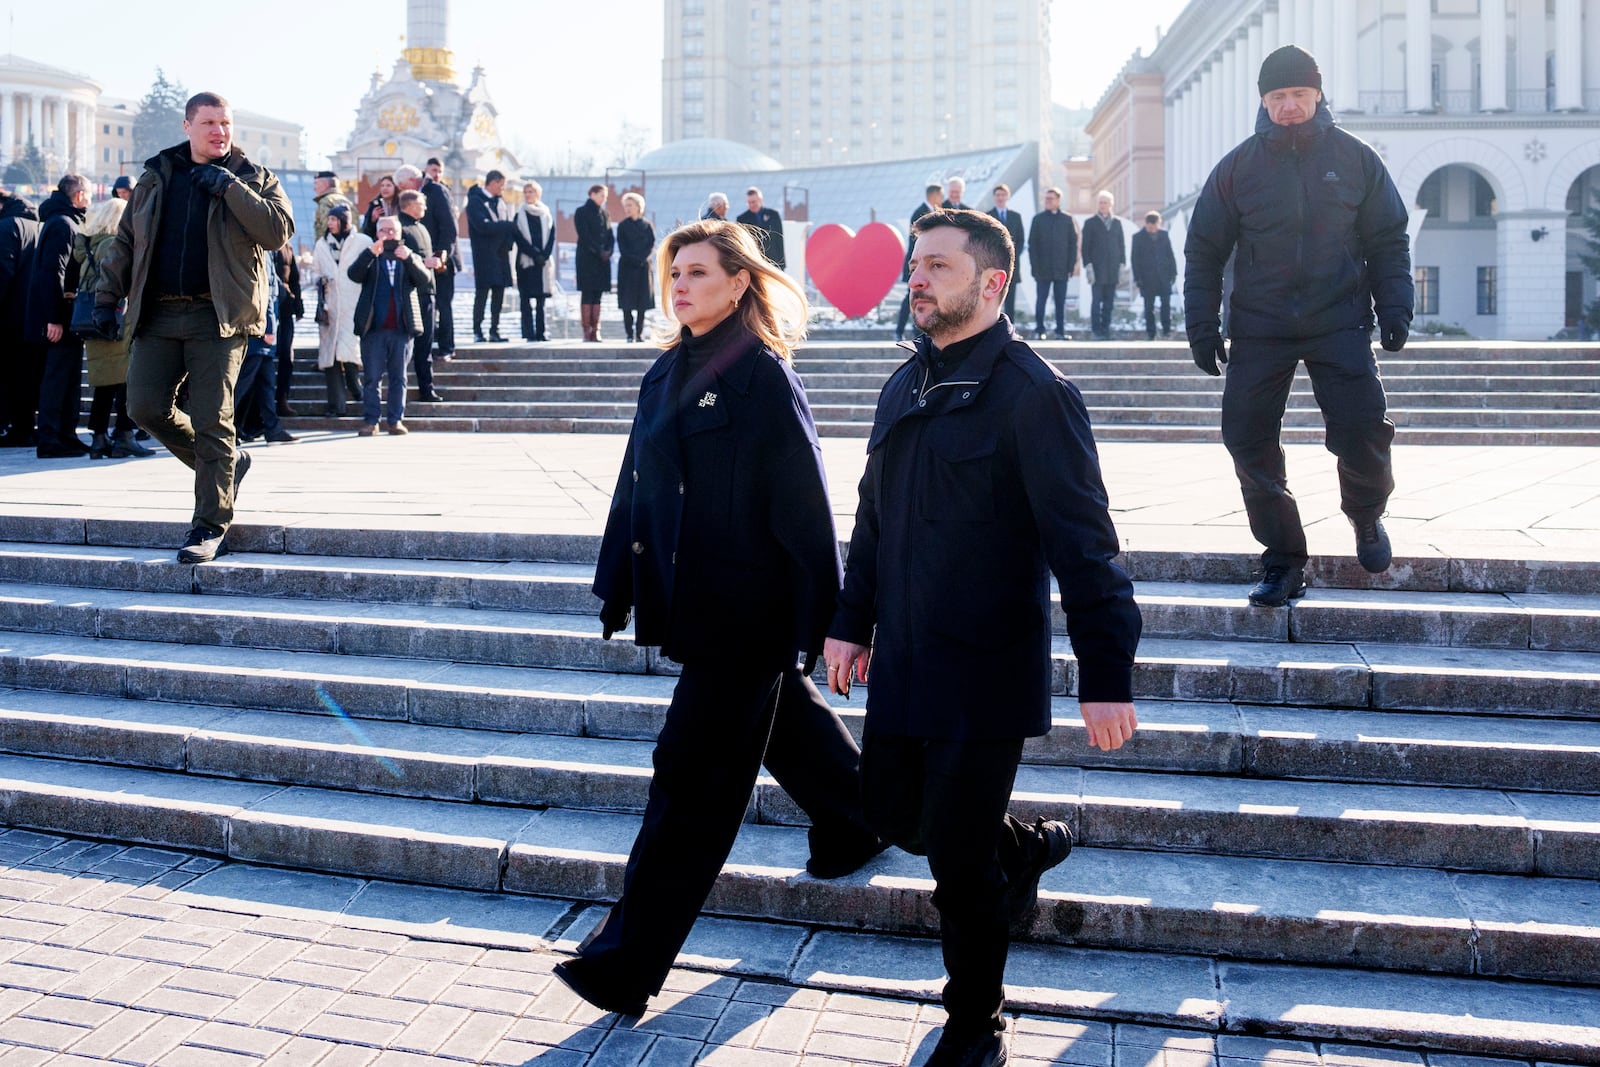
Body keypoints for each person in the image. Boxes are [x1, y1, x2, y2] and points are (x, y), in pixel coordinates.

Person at [823, 209, 1141, 1067]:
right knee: (892, 811)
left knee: (958, 865)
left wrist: (1106, 671)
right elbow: (873, 518)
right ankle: (1026, 846)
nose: (916, 280)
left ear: (992, 283)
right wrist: (852, 623)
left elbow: (1088, 542)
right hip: (907, 661)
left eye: (936, 266)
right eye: (914, 266)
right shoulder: (904, 384)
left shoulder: (1035, 394)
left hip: (985, 667)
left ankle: (976, 1025)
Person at [556, 218, 883, 1018]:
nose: (682, 285)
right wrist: (619, 581)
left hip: (747, 611)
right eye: (676, 272)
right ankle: (857, 822)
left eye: (700, 272)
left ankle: (625, 962)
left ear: (740, 283)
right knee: (785, 726)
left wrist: (839, 618)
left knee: (691, 777)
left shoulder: (761, 375)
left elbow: (805, 501)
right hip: (696, 602)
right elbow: (637, 486)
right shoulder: (667, 369)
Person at [1185, 44, 1412, 606]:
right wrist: (1201, 326)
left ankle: (1364, 514)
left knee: (1363, 432)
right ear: (1264, 100)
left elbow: (1388, 239)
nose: (1289, 106)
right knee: (1246, 438)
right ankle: (1284, 560)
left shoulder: (1356, 158)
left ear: (1317, 94)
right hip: (1259, 326)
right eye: (1278, 96)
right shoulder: (1237, 167)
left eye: (1298, 94)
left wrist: (1396, 306)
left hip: (1340, 321)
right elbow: (1204, 251)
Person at [97, 91, 293, 563]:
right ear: (188, 126)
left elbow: (277, 231)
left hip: (219, 318)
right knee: (144, 407)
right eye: (209, 123)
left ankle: (208, 526)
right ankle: (229, 464)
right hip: (158, 312)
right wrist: (107, 295)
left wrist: (229, 187)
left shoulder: (253, 177)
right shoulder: (156, 176)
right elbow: (126, 241)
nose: (219, 131)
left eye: (225, 123)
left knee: (212, 420)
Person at [72, 195, 152, 459]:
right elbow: (120, 281)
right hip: (117, 321)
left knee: (105, 385)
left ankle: (99, 440)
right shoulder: (111, 244)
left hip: (96, 322)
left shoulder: (88, 245)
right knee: (125, 382)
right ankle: (123, 436)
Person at [26, 174, 91, 458]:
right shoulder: (63, 225)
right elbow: (53, 272)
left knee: (70, 378)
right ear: (78, 196)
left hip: (65, 316)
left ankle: (66, 435)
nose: (89, 200)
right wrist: (53, 318)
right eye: (87, 194)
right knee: (57, 379)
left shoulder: (61, 221)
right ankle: (51, 439)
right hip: (59, 318)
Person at [347, 214, 430, 436]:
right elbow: (353, 275)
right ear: (377, 233)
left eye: (392, 231)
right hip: (373, 328)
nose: (388, 235)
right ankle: (371, 420)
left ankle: (395, 420)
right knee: (372, 377)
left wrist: (410, 259)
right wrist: (369, 254)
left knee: (399, 377)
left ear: (400, 233)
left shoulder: (408, 256)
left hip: (402, 328)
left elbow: (425, 281)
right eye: (384, 230)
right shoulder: (371, 256)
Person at [232, 249, 294, 445]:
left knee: (266, 383)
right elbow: (263, 292)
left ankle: (272, 428)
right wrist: (268, 326)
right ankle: (221, 428)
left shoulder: (265, 253)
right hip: (258, 331)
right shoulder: (257, 252)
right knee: (242, 383)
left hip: (262, 331)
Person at [312, 205, 363, 415]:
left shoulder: (362, 242)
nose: (330, 223)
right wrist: (321, 280)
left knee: (350, 355)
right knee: (330, 359)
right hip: (330, 308)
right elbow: (315, 270)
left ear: (344, 220)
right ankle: (336, 406)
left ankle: (357, 391)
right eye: (329, 220)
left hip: (353, 306)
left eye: (334, 219)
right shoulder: (321, 245)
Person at [0, 189, 41, 447]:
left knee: (7, 376)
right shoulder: (37, 225)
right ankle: (24, 428)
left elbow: (2, 274)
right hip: (34, 315)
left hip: (8, 317)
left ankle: (13, 428)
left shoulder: (7, 227)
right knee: (26, 376)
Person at [397, 186, 445, 402]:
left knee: (426, 345)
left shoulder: (422, 228)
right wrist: (423, 262)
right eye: (421, 204)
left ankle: (427, 388)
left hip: (428, 292)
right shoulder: (399, 228)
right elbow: (398, 257)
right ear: (409, 205)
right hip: (410, 294)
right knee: (408, 345)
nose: (425, 207)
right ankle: (402, 391)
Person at [466, 169, 514, 343]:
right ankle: (477, 329)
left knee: (499, 293)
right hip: (484, 255)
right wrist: (506, 226)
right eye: (501, 185)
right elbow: (482, 226)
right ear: (492, 183)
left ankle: (495, 329)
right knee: (482, 293)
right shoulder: (475, 202)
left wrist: (508, 242)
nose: (502, 189)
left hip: (501, 255)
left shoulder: (500, 203)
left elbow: (509, 227)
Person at [421, 158, 459, 361]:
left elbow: (449, 228)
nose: (436, 173)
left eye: (439, 170)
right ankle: (433, 345)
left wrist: (443, 254)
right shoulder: (425, 189)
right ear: (425, 169)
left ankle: (446, 347)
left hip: (443, 259)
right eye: (433, 170)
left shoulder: (439, 190)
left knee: (444, 304)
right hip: (430, 258)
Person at [1028, 187, 1078, 341]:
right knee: (1041, 300)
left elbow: (1072, 244)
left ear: (1058, 200)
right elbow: (1032, 245)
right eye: (1046, 198)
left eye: (1051, 199)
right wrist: (1035, 267)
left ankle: (1060, 331)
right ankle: (1040, 330)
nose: (1048, 201)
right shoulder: (1038, 219)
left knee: (1060, 301)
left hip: (1061, 269)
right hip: (1042, 269)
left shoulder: (1067, 219)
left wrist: (1070, 266)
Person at [895, 183, 943, 342]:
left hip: (924, 263)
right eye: (940, 196)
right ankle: (901, 329)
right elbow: (917, 240)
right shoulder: (921, 213)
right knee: (912, 296)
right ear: (933, 195)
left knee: (918, 296)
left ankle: (914, 329)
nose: (942, 199)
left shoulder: (932, 212)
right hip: (917, 263)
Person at [513, 180, 555, 342]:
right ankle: (528, 332)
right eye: (526, 192)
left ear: (538, 194)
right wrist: (533, 254)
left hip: (542, 263)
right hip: (526, 262)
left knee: (541, 301)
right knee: (526, 299)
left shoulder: (546, 214)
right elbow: (519, 238)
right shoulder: (519, 214)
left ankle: (541, 332)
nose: (528, 195)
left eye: (531, 192)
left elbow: (552, 236)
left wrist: (544, 255)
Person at [1080, 190, 1125, 340]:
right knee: (1096, 301)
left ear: (1111, 204)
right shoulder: (1090, 223)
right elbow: (1085, 247)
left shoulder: (1117, 223)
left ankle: (1106, 330)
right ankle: (1096, 330)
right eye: (1100, 202)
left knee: (1109, 303)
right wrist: (1088, 267)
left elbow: (1121, 245)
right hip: (1097, 270)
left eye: (1105, 202)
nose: (1103, 205)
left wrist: (1122, 264)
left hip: (1112, 269)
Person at [574, 184, 614, 342]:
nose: (604, 199)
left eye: (605, 196)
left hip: (602, 260)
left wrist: (608, 251)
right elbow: (584, 235)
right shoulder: (581, 212)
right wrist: (599, 251)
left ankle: (595, 330)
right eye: (601, 195)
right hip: (587, 258)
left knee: (598, 294)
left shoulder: (605, 214)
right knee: (587, 293)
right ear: (592, 194)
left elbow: (610, 235)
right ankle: (586, 330)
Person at [613, 192, 655, 343]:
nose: (627, 208)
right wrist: (635, 259)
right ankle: (629, 333)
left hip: (643, 267)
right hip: (627, 268)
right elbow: (623, 247)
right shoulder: (622, 226)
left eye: (630, 205)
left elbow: (651, 244)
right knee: (627, 302)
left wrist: (642, 258)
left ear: (638, 206)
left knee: (642, 302)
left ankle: (639, 333)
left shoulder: (647, 225)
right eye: (626, 206)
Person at [1130, 211, 1177, 341]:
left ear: (1159, 223)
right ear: (1145, 224)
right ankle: (1151, 333)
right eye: (1149, 226)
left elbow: (1170, 255)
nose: (1152, 228)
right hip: (1146, 278)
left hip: (1163, 276)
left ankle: (1166, 330)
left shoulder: (1164, 235)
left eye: (1154, 225)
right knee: (1148, 306)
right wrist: (1137, 278)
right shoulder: (1138, 237)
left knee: (1165, 305)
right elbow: (1135, 259)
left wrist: (1173, 272)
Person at [987, 184, 1025, 323]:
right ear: (994, 197)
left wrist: (1012, 256)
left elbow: (1020, 240)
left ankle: (1010, 327)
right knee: (992, 297)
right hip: (992, 264)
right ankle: (991, 327)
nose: (1000, 197)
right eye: (998, 195)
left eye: (1003, 195)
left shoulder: (1016, 216)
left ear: (1007, 196)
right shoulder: (988, 216)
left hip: (1011, 264)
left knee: (1010, 298)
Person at [272, 243, 303, 415]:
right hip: (264, 307)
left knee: (286, 355)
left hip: (285, 308)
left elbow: (294, 279)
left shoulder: (287, 248)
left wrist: (298, 306)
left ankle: (282, 399)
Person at [735, 186, 785, 269]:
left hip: (774, 261)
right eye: (749, 202)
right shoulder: (742, 219)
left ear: (761, 200)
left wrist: (782, 264)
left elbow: (779, 239)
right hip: (754, 261)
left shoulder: (773, 215)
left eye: (754, 202)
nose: (751, 205)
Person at [312, 170, 350, 241]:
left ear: (325, 184)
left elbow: (327, 229)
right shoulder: (348, 202)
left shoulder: (325, 202)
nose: (314, 188)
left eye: (316, 184)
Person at [360, 174, 398, 240]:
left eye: (388, 185)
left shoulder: (401, 204)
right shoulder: (375, 205)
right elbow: (365, 231)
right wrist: (373, 219)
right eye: (382, 186)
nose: (384, 188)